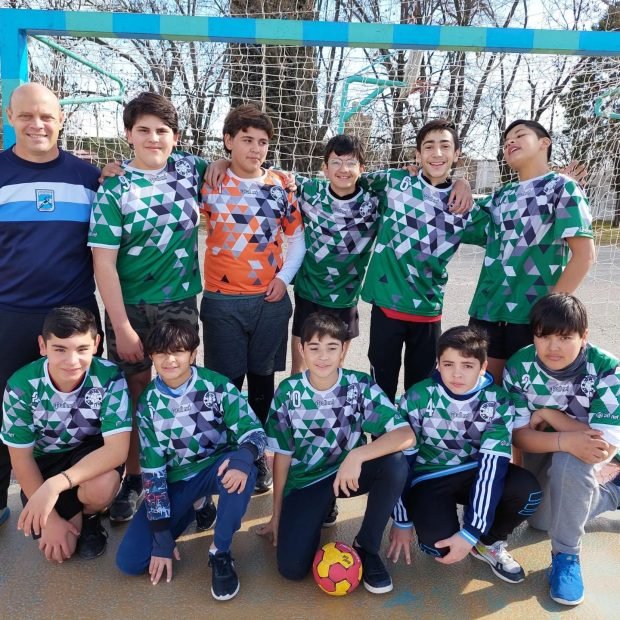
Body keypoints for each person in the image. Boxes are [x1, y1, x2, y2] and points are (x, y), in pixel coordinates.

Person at [88, 92, 213, 524]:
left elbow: (233, 166)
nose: (153, 138)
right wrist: (121, 326)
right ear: (128, 134)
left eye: (162, 130)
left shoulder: (191, 169)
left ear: (175, 136)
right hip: (132, 308)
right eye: (143, 130)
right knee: (135, 391)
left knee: (183, 390)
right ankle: (137, 476)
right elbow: (103, 263)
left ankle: (191, 477)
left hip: (180, 302)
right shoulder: (115, 188)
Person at [0, 83, 104, 527]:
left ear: (61, 119)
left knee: (85, 409)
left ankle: (84, 503)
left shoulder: (89, 177)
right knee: (6, 405)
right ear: (9, 117)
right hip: (10, 314)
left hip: (74, 315)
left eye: (46, 115)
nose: (37, 124)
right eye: (26, 115)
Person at [258, 313, 413, 594]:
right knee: (292, 569)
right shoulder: (288, 392)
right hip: (306, 482)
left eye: (332, 347)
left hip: (347, 474)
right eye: (314, 348)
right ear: (301, 349)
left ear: (343, 350)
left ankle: (367, 546)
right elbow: (282, 456)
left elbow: (405, 434)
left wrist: (357, 455)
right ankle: (320, 508)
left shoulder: (358, 385)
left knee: (395, 462)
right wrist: (277, 515)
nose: (323, 356)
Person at [116, 319, 266, 601]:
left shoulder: (216, 385)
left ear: (193, 354)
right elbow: (153, 473)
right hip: (177, 479)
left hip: (216, 466)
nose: (170, 360)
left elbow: (255, 433)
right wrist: (162, 538)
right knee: (130, 562)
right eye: (161, 353)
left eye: (178, 351)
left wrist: (244, 458)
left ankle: (220, 552)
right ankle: (198, 505)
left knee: (240, 472)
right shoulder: (147, 404)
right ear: (151, 357)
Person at [200, 103, 305, 494]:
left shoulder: (282, 186)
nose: (256, 148)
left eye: (262, 142)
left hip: (268, 301)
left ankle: (257, 453)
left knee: (263, 381)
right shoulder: (208, 182)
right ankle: (228, 452)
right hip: (222, 300)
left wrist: (283, 279)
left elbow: (296, 239)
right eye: (247, 140)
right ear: (228, 141)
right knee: (227, 384)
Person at [388, 326, 541, 585]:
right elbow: (401, 462)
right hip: (430, 477)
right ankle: (456, 519)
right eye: (448, 364)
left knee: (528, 492)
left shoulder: (497, 401)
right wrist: (402, 521)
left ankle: (487, 542)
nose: (457, 374)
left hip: (475, 470)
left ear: (483, 367)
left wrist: (471, 532)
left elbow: (492, 468)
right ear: (438, 364)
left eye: (468, 365)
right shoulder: (417, 396)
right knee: (440, 547)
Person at [504, 293, 620, 606]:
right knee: (541, 521)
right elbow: (519, 436)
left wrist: (552, 416)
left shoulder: (607, 368)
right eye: (544, 336)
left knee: (573, 458)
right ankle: (614, 493)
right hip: (544, 447)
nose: (553, 347)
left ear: (584, 336)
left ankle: (566, 556)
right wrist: (563, 438)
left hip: (585, 452)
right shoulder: (519, 366)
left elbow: (600, 448)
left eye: (565, 337)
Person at [361, 119, 485, 402]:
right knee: (380, 390)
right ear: (418, 155)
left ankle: (414, 431)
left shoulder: (464, 206)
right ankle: (382, 430)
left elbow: (504, 228)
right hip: (387, 305)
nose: (437, 153)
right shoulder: (394, 182)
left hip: (428, 311)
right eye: (429, 147)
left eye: (445, 146)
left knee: (420, 393)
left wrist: (463, 182)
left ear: (456, 154)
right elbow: (349, 180)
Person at [469, 120, 595, 385]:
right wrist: (459, 184)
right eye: (506, 141)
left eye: (519, 135)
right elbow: (459, 216)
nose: (510, 142)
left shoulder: (562, 187)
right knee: (485, 395)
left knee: (528, 396)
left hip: (532, 316)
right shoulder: (500, 196)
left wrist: (550, 312)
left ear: (544, 143)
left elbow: (584, 256)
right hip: (487, 310)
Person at [1, 306, 130, 561]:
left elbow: (117, 451)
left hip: (88, 455)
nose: (72, 361)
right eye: (60, 349)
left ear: (96, 344)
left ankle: (90, 517)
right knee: (61, 551)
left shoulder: (110, 376)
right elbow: (21, 459)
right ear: (43, 346)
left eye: (82, 349)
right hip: (44, 462)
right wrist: (50, 520)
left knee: (103, 486)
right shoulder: (21, 386)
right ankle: (68, 513)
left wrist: (55, 485)